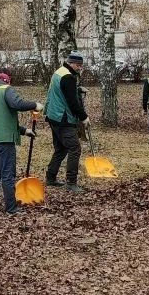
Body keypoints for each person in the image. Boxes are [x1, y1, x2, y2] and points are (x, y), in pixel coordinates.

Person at [0, 71, 44, 217]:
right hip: (5, 140)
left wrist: (24, 131)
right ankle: (11, 209)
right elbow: (17, 103)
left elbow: (1, 119)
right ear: (7, 82)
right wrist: (35, 105)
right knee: (8, 175)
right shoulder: (5, 89)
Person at [44, 51, 89, 194]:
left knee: (61, 149)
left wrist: (77, 89)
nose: (79, 68)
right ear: (71, 63)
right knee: (75, 148)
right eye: (78, 65)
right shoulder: (68, 77)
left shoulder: (59, 72)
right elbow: (72, 102)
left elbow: (63, 91)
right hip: (62, 118)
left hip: (52, 115)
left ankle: (51, 177)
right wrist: (84, 117)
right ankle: (71, 182)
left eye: (81, 65)